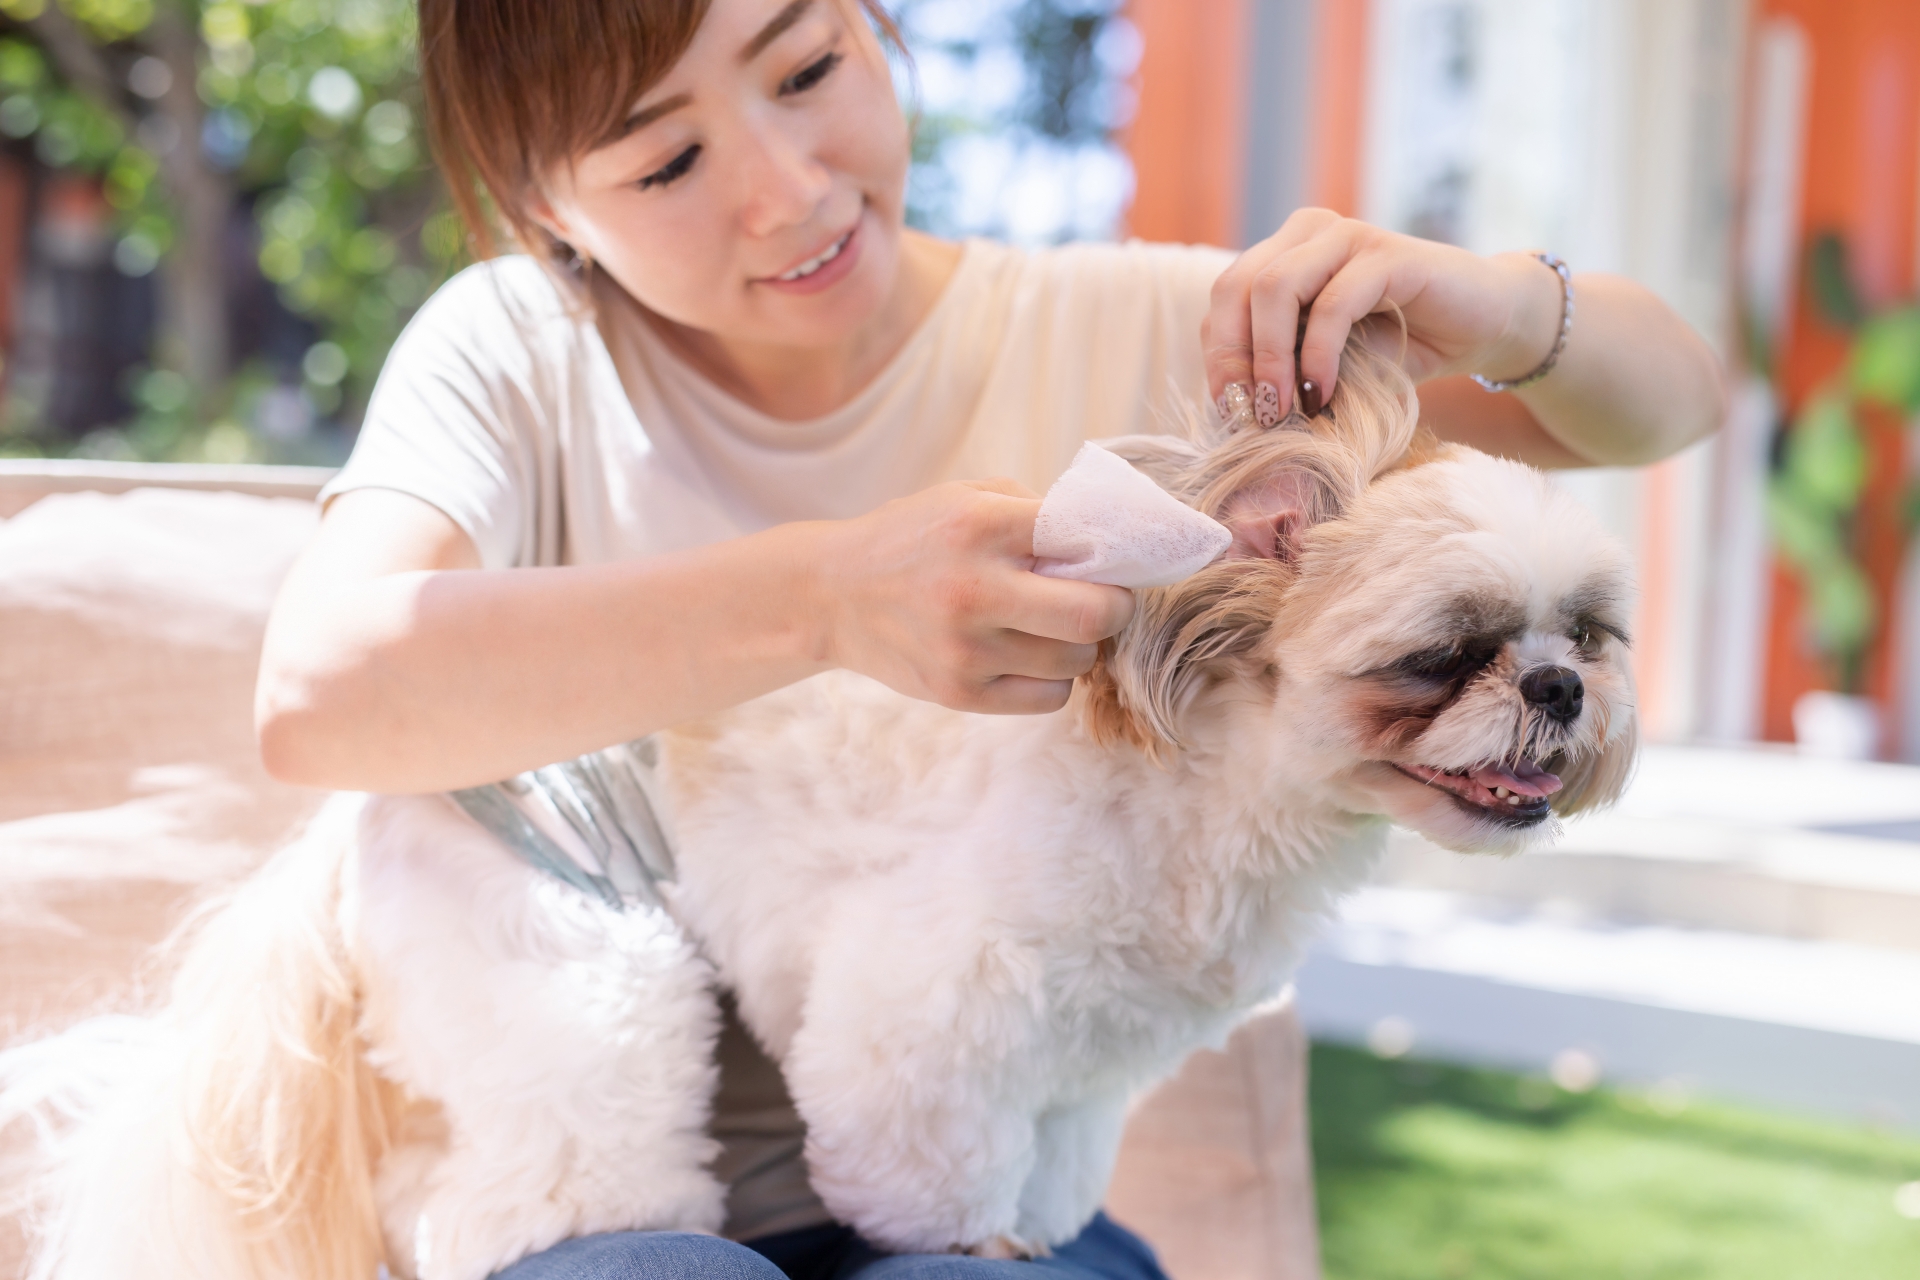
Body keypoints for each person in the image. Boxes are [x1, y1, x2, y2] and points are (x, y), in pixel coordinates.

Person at [253, 0, 1725, 1276]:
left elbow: (1667, 405)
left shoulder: (1159, 338)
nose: (788, 187)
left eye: (808, 66)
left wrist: (1489, 298)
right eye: (670, 159)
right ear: (544, 211)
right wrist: (824, 599)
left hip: (1003, 1200)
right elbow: (318, 691)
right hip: (600, 1198)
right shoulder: (513, 353)